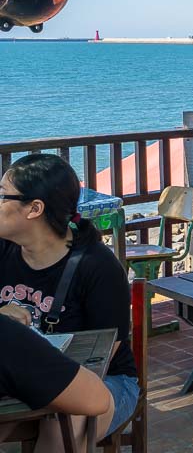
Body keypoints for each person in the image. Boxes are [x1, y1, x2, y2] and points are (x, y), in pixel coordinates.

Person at [0, 154, 139, 443]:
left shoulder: (97, 266)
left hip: (104, 380)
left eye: (3, 196)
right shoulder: (4, 250)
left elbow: (103, 357)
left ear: (34, 208)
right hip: (27, 374)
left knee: (62, 421)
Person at [0, 316, 115, 452]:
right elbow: (96, 398)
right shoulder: (8, 335)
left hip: (102, 375)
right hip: (68, 380)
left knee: (67, 419)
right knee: (70, 417)